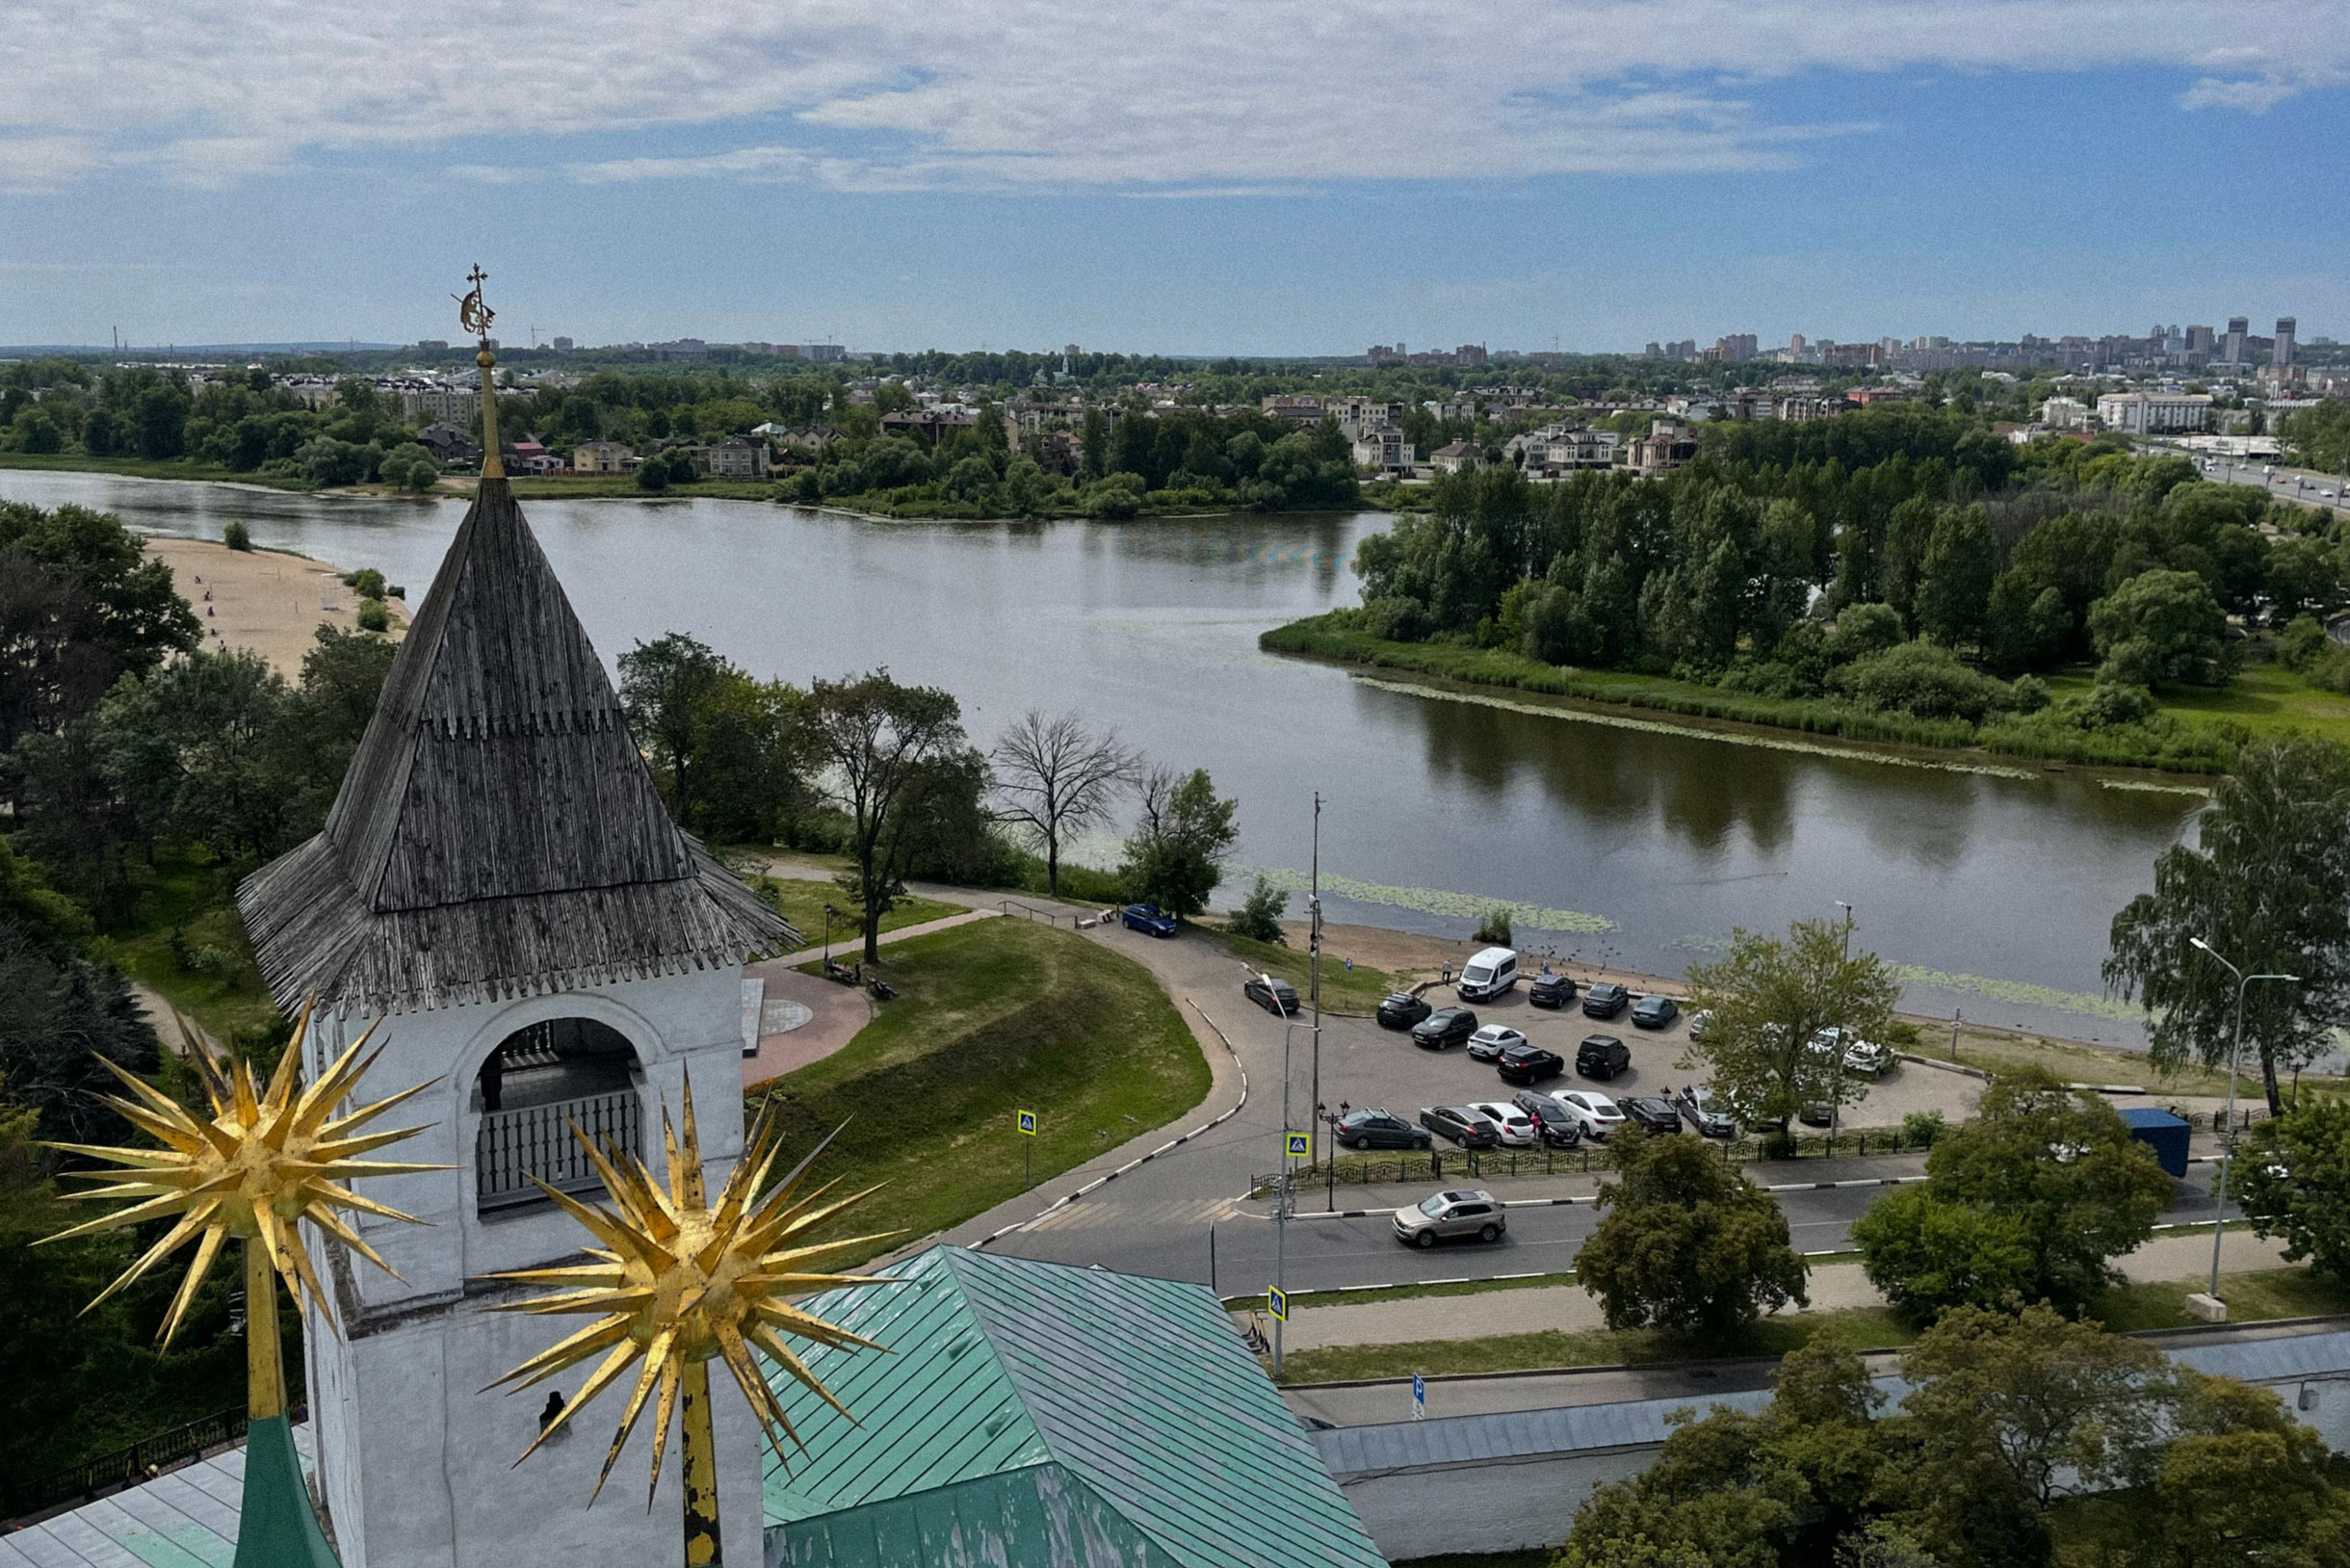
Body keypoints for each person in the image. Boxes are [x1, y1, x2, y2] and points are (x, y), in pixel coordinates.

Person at [480, 1049, 506, 1113]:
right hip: (491, 1068)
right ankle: (494, 1111)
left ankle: (493, 1111)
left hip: (491, 1068)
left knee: (491, 1094)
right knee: (492, 1093)